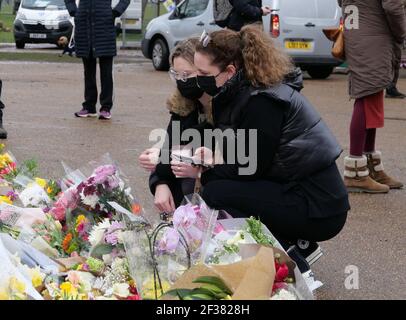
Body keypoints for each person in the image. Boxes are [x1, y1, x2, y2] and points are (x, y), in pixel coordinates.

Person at [187, 25, 350, 272]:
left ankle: (291, 259)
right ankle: (297, 245)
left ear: (230, 71)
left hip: (318, 206)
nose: (198, 80)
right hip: (300, 192)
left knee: (216, 193)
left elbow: (251, 168)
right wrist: (212, 157)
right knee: (218, 187)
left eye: (203, 72)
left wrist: (205, 170)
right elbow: (246, 154)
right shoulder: (246, 91)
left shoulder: (262, 101)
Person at [138, 38, 213, 214]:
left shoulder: (225, 110)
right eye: (176, 74)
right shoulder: (183, 106)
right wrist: (159, 183)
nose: (181, 81)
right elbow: (168, 150)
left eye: (187, 75)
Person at [338, 0, 406, 193]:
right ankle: (356, 172)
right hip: (373, 37)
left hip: (359, 34)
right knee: (367, 96)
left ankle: (368, 165)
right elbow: (393, 5)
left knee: (372, 96)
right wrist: (401, 32)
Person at [64, 0, 130, 120]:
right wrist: (74, 11)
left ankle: (106, 107)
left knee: (106, 73)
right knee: (88, 72)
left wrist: (115, 12)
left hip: (104, 28)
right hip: (84, 27)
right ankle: (89, 106)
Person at [386, 0, 406, 98]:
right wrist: (401, 32)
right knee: (393, 59)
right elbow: (392, 9)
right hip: (393, 29)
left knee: (395, 59)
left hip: (396, 27)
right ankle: (390, 87)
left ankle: (391, 87)